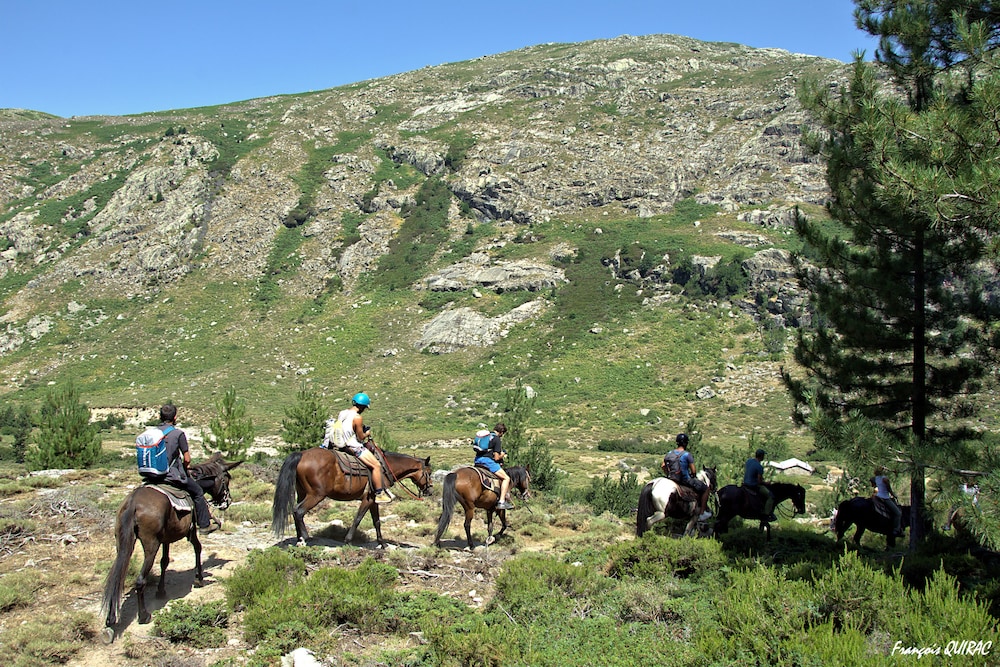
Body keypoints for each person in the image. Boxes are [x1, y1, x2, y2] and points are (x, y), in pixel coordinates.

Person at [144, 404, 220, 534]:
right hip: (171, 476)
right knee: (197, 492)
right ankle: (204, 525)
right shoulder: (178, 434)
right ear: (175, 417)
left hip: (151, 475)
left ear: (160, 417)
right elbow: (187, 459)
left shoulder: (151, 433)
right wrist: (185, 468)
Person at [325, 392, 393, 504]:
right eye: (365, 408)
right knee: (376, 465)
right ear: (362, 407)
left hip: (340, 444)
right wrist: (367, 433)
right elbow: (360, 438)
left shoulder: (342, 413)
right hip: (353, 446)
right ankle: (379, 493)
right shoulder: (357, 418)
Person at [662, 433, 711, 521]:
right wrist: (693, 475)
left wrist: (667, 473)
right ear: (686, 443)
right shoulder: (687, 455)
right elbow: (693, 470)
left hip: (671, 478)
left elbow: (663, 466)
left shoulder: (669, 453)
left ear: (677, 442)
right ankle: (702, 512)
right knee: (706, 489)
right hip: (684, 480)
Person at [474, 423, 513, 510]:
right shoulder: (496, 439)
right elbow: (496, 458)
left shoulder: (486, 437)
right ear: (501, 432)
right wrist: (503, 454)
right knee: (506, 478)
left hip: (477, 460)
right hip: (488, 462)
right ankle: (502, 502)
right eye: (503, 434)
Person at [743, 448, 775, 522]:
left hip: (745, 484)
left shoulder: (749, 461)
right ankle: (766, 515)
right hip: (753, 486)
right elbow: (759, 481)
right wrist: (766, 483)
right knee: (771, 496)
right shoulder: (759, 467)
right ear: (762, 456)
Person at [871, 466, 903, 537]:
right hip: (885, 497)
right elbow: (889, 489)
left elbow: (872, 481)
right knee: (898, 513)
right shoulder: (885, 479)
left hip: (878, 496)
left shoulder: (876, 478)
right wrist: (893, 494)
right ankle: (896, 529)